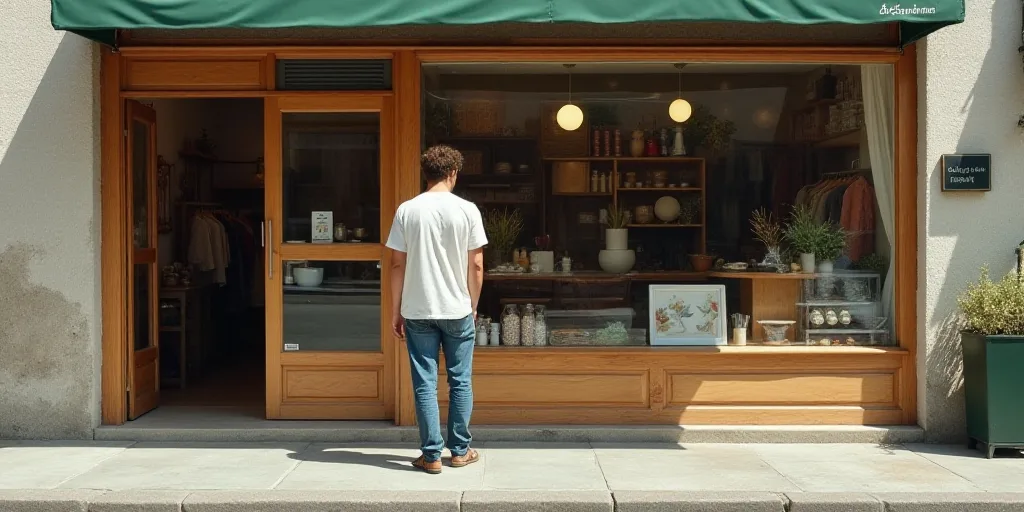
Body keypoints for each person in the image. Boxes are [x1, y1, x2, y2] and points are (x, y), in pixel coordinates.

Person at [385, 145, 487, 474]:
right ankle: (459, 451)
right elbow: (476, 264)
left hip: (418, 309)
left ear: (425, 174)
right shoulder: (467, 210)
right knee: (460, 381)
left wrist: (395, 310)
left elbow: (396, 265)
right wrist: (473, 304)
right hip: (457, 308)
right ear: (453, 172)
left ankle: (430, 456)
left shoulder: (407, 210)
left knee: (424, 383)